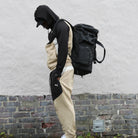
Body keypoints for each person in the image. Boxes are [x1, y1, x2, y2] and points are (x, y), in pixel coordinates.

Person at [34, 5, 76, 138]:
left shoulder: (62, 26)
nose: (43, 26)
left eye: (43, 22)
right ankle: (68, 133)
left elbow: (63, 50)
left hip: (63, 70)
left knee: (65, 104)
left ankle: (70, 135)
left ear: (48, 17)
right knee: (60, 104)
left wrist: (58, 72)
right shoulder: (55, 28)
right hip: (59, 70)